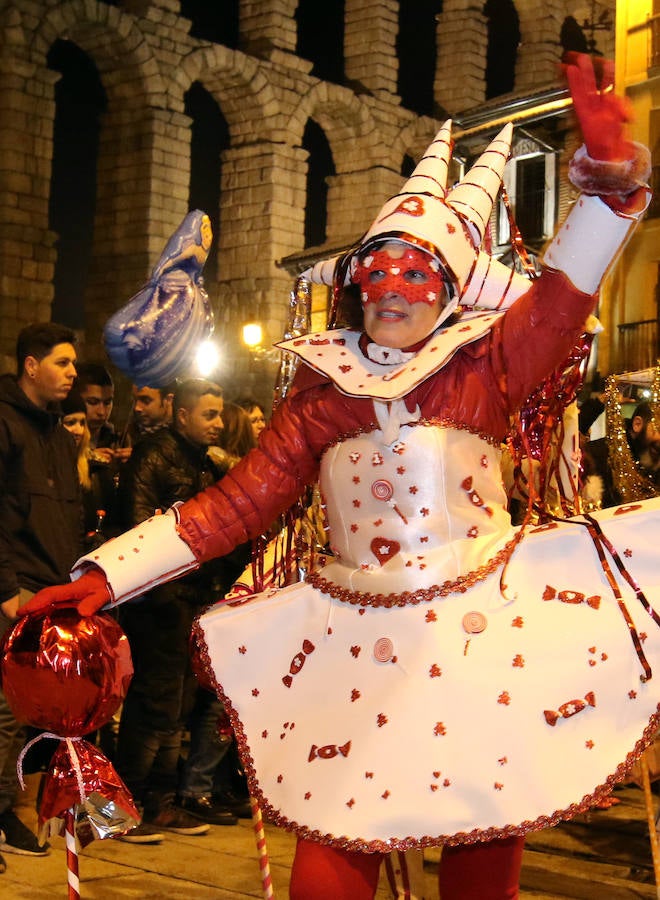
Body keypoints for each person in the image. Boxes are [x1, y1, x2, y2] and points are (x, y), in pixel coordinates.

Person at [23, 56, 657, 899]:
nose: (394, 288)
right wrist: (105, 575)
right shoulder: (321, 395)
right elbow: (234, 505)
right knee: (331, 862)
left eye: (418, 272)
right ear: (357, 284)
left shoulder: (491, 368)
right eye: (379, 270)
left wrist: (608, 195)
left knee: (482, 855)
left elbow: (559, 298)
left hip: (485, 642)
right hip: (357, 645)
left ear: (452, 287)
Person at [113, 378, 231, 842]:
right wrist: (163, 592)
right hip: (160, 601)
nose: (219, 423)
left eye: (221, 414)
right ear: (182, 415)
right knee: (152, 706)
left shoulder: (205, 462)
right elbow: (141, 527)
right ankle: (123, 806)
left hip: (193, 599)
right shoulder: (155, 454)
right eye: (209, 414)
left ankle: (159, 802)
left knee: (177, 706)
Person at [0, 322, 80, 871]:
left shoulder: (57, 434)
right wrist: (6, 589)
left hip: (50, 593)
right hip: (14, 591)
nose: (72, 373)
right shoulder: (5, 425)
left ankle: (5, 810)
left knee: (23, 715)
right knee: (4, 713)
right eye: (62, 362)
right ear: (31, 365)